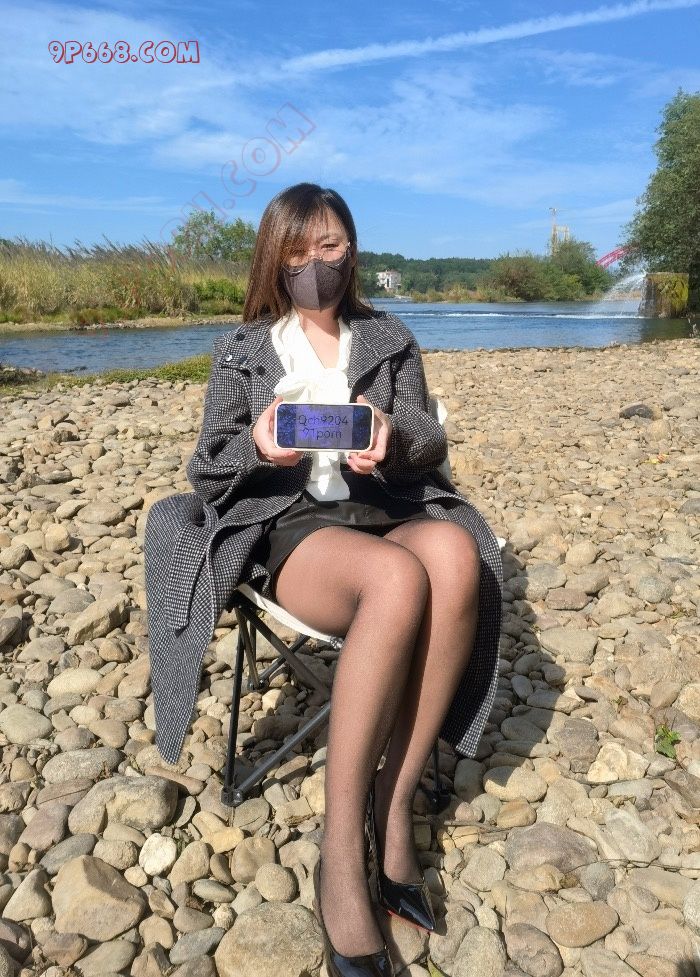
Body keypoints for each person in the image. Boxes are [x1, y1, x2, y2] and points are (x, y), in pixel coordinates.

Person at [184, 183, 499, 977]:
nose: (315, 263)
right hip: (290, 525)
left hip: (383, 507)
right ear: (274, 255)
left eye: (330, 247)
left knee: (455, 555)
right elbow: (207, 467)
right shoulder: (242, 349)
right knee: (397, 578)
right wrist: (258, 444)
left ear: (351, 250)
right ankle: (339, 854)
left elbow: (428, 441)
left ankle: (393, 807)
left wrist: (393, 435)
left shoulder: (388, 336)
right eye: (298, 250)